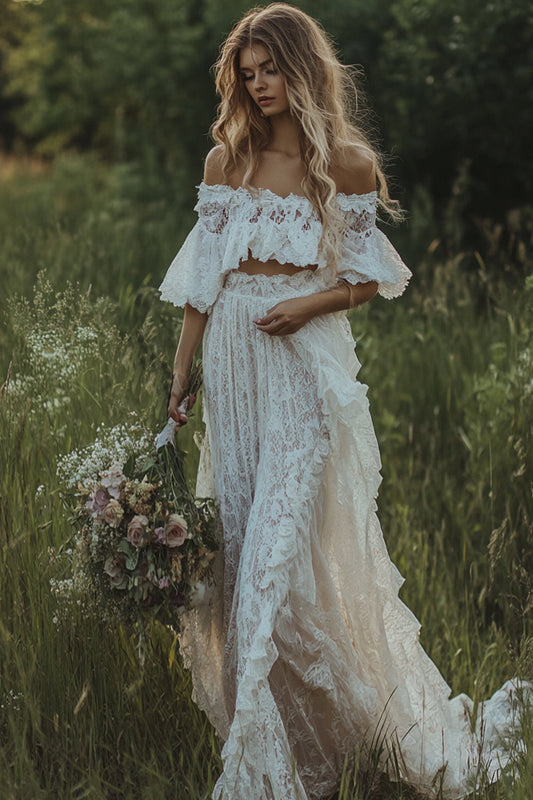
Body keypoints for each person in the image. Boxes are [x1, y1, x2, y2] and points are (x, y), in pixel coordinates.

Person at [159, 5, 526, 799]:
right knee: (241, 545)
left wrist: (306, 305)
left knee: (279, 549)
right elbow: (199, 281)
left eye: (270, 69)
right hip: (231, 362)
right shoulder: (226, 162)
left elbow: (371, 277)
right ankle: (297, 735)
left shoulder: (347, 165)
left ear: (302, 67)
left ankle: (273, 771)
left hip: (299, 366)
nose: (258, 86)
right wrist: (181, 373)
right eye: (247, 73)